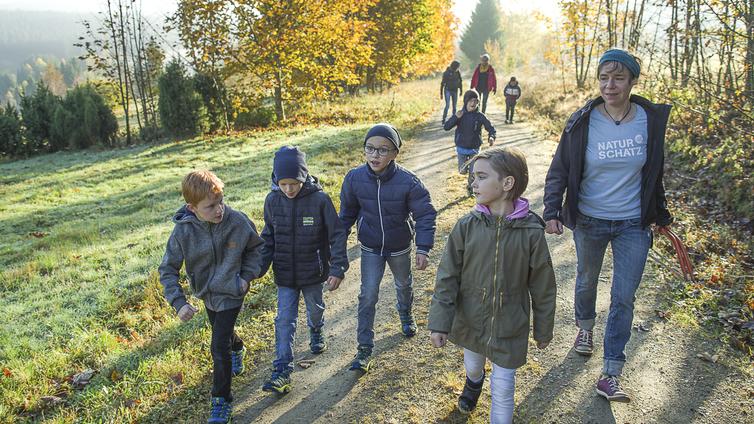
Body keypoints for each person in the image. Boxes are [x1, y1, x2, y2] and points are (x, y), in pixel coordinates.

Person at [543, 49, 673, 403]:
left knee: (623, 297)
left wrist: (660, 214)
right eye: (603, 77)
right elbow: (559, 169)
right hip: (590, 219)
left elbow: (653, 174)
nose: (609, 85)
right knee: (586, 280)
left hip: (634, 222)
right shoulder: (582, 120)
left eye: (618, 78)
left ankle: (611, 371)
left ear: (632, 81)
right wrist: (552, 209)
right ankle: (584, 330)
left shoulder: (649, 119)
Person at [428, 147, 556, 423]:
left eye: (482, 177)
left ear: (507, 183)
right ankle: (473, 383)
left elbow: (543, 287)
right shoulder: (466, 226)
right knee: (473, 365)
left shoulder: (532, 232)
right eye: (474, 177)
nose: (473, 183)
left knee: (503, 387)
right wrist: (439, 322)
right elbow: (447, 276)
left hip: (511, 324)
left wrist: (543, 329)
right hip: (472, 317)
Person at [158, 170, 265, 424]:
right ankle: (237, 347)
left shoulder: (236, 221)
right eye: (210, 207)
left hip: (232, 292)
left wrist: (245, 277)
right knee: (222, 333)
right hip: (207, 293)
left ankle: (221, 400)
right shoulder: (183, 233)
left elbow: (257, 249)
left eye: (220, 202)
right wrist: (179, 302)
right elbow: (167, 269)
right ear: (192, 208)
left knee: (218, 345)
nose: (219, 210)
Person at [339, 123, 437, 372]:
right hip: (371, 247)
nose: (375, 155)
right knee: (368, 294)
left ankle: (406, 313)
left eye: (383, 150)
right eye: (370, 149)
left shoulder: (408, 182)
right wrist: (336, 250)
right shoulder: (354, 178)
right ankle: (364, 349)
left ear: (395, 153)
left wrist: (423, 248)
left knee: (403, 284)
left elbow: (425, 215)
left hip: (399, 246)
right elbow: (346, 216)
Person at [259, 146, 349, 394]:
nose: (289, 189)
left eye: (294, 183)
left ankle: (317, 330)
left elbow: (337, 234)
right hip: (285, 274)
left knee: (315, 310)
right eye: (284, 183)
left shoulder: (319, 199)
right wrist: (256, 269)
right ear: (276, 180)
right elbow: (268, 238)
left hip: (313, 273)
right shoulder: (272, 200)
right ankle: (282, 371)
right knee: (284, 320)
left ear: (304, 177)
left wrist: (338, 267)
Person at [443, 89, 496, 196]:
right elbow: (446, 127)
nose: (473, 103)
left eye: (476, 101)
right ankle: (466, 172)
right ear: (466, 101)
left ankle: (470, 189)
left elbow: (490, 128)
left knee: (473, 172)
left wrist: (491, 137)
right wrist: (455, 117)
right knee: (462, 170)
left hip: (474, 149)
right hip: (461, 148)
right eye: (471, 101)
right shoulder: (460, 114)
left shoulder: (480, 116)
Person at [440, 60, 463, 125]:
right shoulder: (446, 73)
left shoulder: (458, 72)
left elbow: (460, 81)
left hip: (455, 90)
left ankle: (454, 120)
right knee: (447, 105)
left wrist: (461, 90)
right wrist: (441, 93)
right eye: (458, 67)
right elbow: (442, 83)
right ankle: (444, 119)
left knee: (454, 106)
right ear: (454, 66)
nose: (458, 68)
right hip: (447, 90)